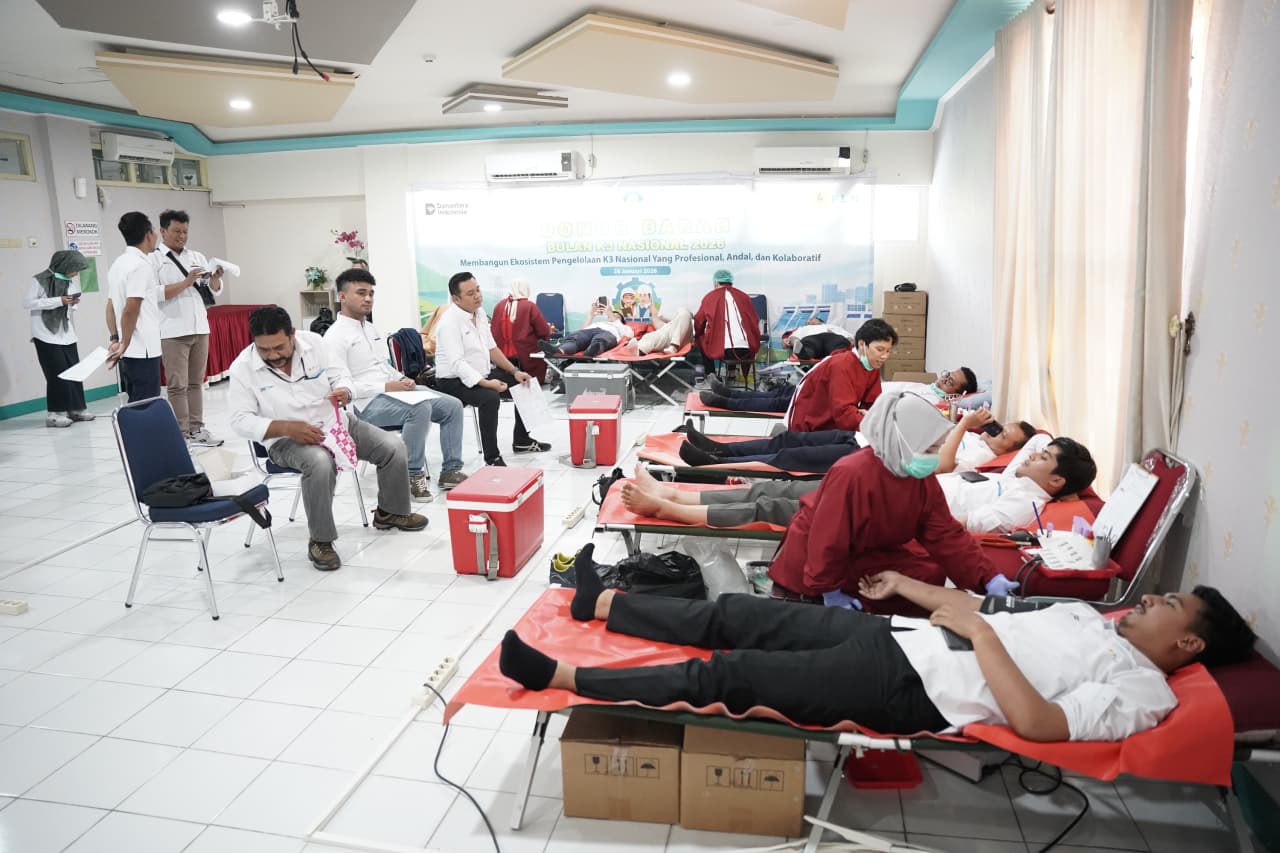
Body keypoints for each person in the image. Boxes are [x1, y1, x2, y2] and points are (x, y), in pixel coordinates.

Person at [499, 557, 1255, 742]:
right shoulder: (1094, 617)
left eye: (1167, 605)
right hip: (903, 635)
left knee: (730, 674)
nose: (1148, 599)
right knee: (741, 613)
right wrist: (906, 587)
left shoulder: (1143, 693)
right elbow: (980, 607)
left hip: (914, 689)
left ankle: (564, 672)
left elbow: (1039, 724)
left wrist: (982, 636)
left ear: (1188, 642)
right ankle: (600, 602)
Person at [765, 392, 1019, 608]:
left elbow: (946, 534)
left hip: (865, 552)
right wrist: (829, 590)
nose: (934, 457)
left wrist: (987, 577)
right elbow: (828, 539)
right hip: (817, 565)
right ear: (903, 442)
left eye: (936, 449)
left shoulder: (918, 477)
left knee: (929, 571)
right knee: (917, 584)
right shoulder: (853, 474)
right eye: (929, 449)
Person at [228, 306, 428, 571]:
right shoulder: (243, 368)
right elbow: (239, 420)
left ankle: (390, 512)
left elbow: (340, 374)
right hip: (285, 439)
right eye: (264, 350)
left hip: (335, 424)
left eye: (279, 347)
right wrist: (286, 427)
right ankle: (320, 541)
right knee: (320, 462)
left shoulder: (314, 343)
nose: (273, 355)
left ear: (292, 334)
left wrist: (344, 389)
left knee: (393, 446)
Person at [323, 268, 467, 498]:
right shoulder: (334, 337)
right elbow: (341, 387)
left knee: (453, 406)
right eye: (361, 293)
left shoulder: (369, 328)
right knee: (419, 408)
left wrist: (400, 378)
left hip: (391, 393)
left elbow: (382, 366)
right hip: (363, 405)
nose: (368, 298)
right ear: (342, 296)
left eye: (371, 293)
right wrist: (386, 387)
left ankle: (451, 471)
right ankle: (410, 476)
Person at [435, 271, 551, 466]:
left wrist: (515, 371)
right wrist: (487, 384)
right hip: (453, 380)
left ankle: (522, 440)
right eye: (470, 293)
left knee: (524, 383)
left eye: (478, 290)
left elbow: (492, 348)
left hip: (482, 373)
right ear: (456, 299)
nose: (477, 296)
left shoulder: (480, 313)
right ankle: (492, 457)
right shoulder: (449, 322)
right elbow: (457, 363)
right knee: (489, 398)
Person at [155, 209, 224, 447]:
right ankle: (181, 433)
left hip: (200, 327)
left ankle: (197, 429)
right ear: (163, 231)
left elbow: (213, 289)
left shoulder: (197, 256)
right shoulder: (155, 260)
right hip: (172, 330)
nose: (182, 236)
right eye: (176, 231)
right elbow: (156, 294)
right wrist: (187, 282)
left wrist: (215, 278)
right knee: (177, 385)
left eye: (185, 231)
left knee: (196, 383)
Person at [939, 434, 1097, 534]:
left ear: (1056, 480)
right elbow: (1039, 438)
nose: (1033, 455)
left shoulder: (1024, 504)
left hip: (930, 499)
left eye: (1043, 457)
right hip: (932, 482)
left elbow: (957, 526)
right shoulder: (1017, 476)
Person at [782, 318, 897, 432]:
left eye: (888, 351)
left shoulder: (871, 365)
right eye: (880, 349)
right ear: (862, 344)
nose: (884, 356)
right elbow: (844, 415)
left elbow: (872, 404)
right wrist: (874, 425)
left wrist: (873, 419)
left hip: (833, 421)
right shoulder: (842, 365)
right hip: (808, 428)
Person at [24, 250, 95, 427]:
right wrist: (59, 301)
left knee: (75, 372)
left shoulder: (68, 282)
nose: (76, 273)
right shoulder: (39, 280)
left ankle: (76, 409)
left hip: (66, 333)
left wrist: (71, 303)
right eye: (75, 268)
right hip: (45, 334)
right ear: (64, 265)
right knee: (56, 373)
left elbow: (69, 308)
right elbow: (28, 302)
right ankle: (55, 414)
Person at [105, 212, 164, 402]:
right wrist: (125, 342)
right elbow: (131, 308)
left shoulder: (118, 264)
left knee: (135, 401)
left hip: (129, 350)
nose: (156, 234)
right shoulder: (140, 266)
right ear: (148, 235)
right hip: (142, 348)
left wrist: (115, 338)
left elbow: (110, 306)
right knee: (146, 403)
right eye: (154, 230)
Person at [674, 423, 861, 473]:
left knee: (793, 456)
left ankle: (719, 462)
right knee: (788, 439)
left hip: (866, 453)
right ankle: (722, 449)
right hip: (861, 436)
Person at [693, 269, 759, 378]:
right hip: (747, 351)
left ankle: (711, 375)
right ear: (731, 282)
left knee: (702, 338)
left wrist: (696, 335)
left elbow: (698, 322)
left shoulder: (710, 297)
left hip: (724, 352)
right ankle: (731, 373)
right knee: (733, 335)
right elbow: (755, 321)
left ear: (715, 283)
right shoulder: (744, 296)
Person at [936, 409, 1038, 474]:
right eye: (1001, 427)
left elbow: (943, 468)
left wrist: (964, 424)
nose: (996, 431)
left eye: (1003, 436)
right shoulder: (977, 438)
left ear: (1008, 451)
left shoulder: (982, 455)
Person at [491, 278, 553, 384]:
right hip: (526, 355)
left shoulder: (499, 306)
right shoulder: (529, 306)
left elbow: (493, 331)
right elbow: (543, 331)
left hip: (502, 356)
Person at [540, 303, 633, 357]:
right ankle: (559, 351)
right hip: (591, 331)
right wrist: (591, 316)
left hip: (607, 334)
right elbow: (582, 330)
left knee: (600, 340)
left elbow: (629, 335)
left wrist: (612, 315)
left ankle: (591, 351)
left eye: (617, 316)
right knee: (577, 337)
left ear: (621, 320)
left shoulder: (623, 327)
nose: (612, 316)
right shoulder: (599, 323)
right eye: (610, 315)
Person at [884, 367, 978, 400]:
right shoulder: (928, 388)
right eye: (947, 374)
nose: (944, 379)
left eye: (950, 381)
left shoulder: (933, 401)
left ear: (956, 395)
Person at [784, 317, 854, 359]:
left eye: (811, 319)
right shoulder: (804, 328)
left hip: (832, 338)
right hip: (812, 339)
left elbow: (849, 337)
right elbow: (793, 338)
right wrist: (792, 341)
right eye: (807, 321)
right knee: (808, 348)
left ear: (820, 321)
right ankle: (803, 353)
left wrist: (849, 340)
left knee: (838, 347)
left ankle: (837, 357)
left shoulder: (832, 326)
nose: (808, 321)